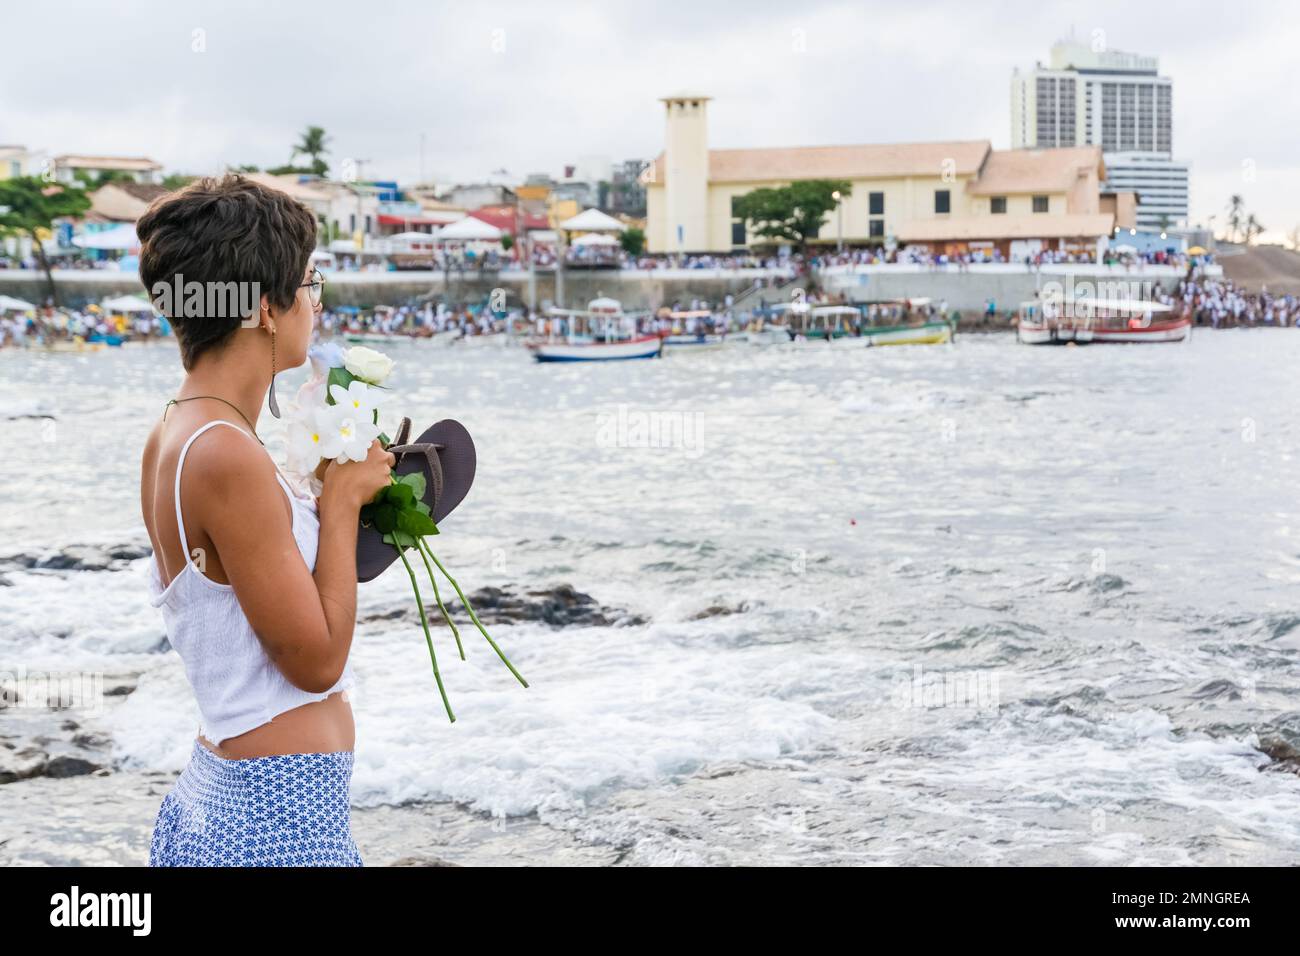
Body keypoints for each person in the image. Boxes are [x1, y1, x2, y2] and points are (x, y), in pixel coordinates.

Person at [136, 175, 394, 866]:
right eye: (309, 282)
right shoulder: (223, 452)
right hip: (274, 820)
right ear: (262, 308)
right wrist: (339, 504)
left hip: (236, 798)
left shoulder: (177, 433)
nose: (316, 301)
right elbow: (314, 662)